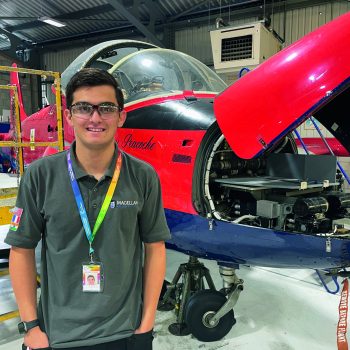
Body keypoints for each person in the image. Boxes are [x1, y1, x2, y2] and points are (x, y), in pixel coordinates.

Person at [5, 68, 171, 350]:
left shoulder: (143, 176)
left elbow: (154, 248)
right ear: (68, 116)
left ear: (121, 116)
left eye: (106, 108)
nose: (95, 118)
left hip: (126, 332)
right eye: (83, 108)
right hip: (57, 335)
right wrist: (31, 327)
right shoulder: (41, 175)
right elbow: (21, 250)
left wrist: (146, 323)